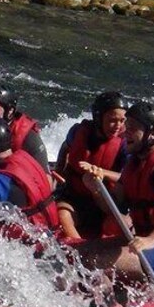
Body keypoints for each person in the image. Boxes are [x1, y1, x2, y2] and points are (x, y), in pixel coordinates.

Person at [77, 102, 154, 282]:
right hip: (143, 240)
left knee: (97, 262)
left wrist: (150, 240)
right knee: (80, 253)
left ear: (151, 135)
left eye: (132, 128)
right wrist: (96, 189)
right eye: (126, 126)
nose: (124, 132)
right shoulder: (134, 162)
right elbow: (115, 209)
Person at [54, 91, 129, 239]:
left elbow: (125, 177)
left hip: (105, 201)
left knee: (116, 224)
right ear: (98, 117)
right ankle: (77, 246)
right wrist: (59, 171)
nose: (118, 126)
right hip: (75, 197)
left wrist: (102, 172)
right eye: (112, 120)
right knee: (62, 215)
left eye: (122, 121)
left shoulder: (124, 144)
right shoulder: (78, 132)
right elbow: (65, 148)